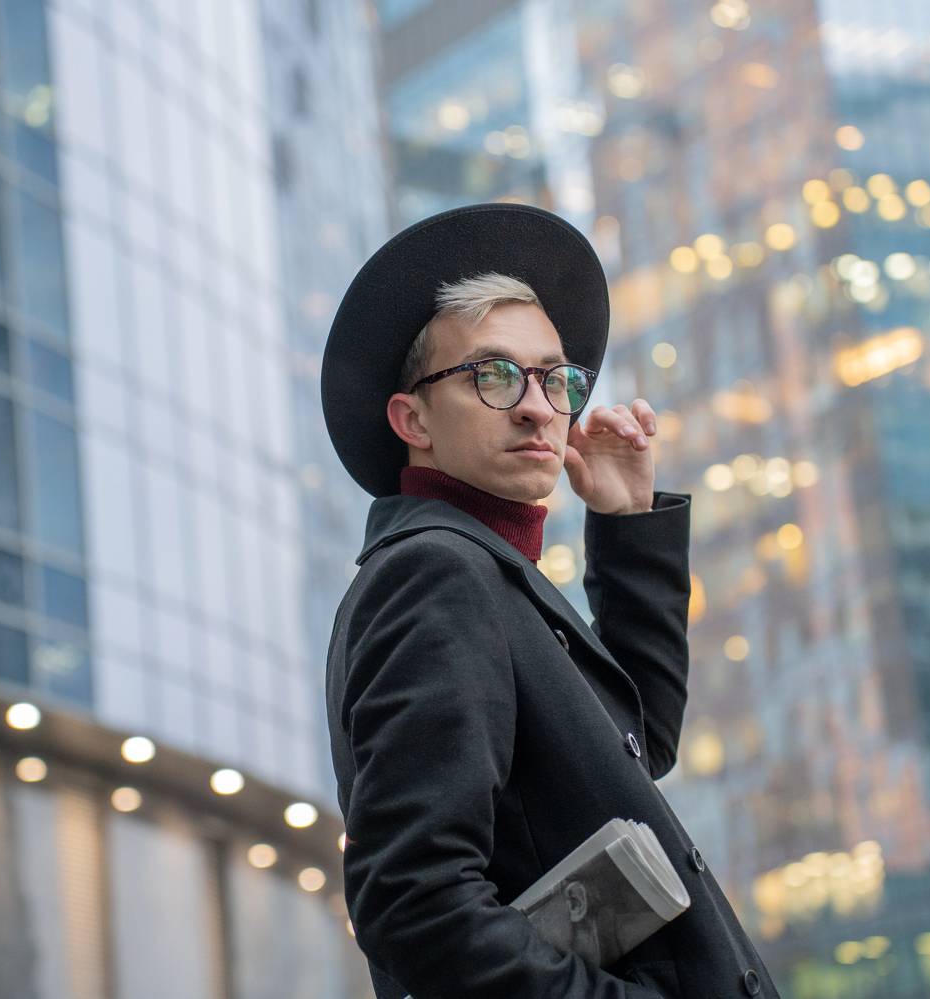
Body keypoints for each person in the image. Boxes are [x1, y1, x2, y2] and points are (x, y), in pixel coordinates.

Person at [320, 203, 779, 998]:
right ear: (412, 418)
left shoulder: (486, 572)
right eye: (493, 375)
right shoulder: (435, 572)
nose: (538, 406)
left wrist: (625, 522)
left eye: (554, 378)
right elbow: (413, 901)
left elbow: (639, 741)